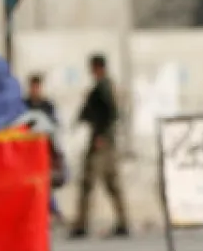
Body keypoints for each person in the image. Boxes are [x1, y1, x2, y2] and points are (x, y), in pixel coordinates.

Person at [69, 53, 130, 239]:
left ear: (97, 68)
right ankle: (122, 222)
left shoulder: (103, 87)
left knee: (89, 182)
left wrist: (101, 135)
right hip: (105, 140)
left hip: (101, 141)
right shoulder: (104, 86)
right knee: (111, 182)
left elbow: (111, 112)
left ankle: (82, 224)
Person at [25, 73, 68, 221]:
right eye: (33, 87)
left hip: (44, 149)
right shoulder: (24, 105)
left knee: (45, 181)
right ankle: (47, 209)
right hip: (27, 150)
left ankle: (52, 209)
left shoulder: (47, 105)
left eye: (37, 87)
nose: (35, 90)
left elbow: (54, 126)